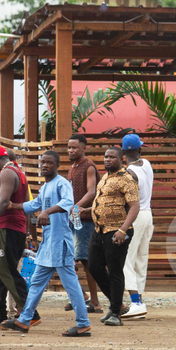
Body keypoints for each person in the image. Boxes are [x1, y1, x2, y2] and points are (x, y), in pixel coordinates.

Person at [2, 150, 91, 336]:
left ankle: (83, 324)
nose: (44, 166)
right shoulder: (45, 187)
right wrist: (12, 206)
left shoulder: (62, 184)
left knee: (71, 285)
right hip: (48, 245)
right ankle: (24, 321)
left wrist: (47, 212)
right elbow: (35, 205)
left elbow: (68, 202)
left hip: (61, 245)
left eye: (49, 163)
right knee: (36, 283)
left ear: (57, 166)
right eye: (42, 162)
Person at [0, 145, 37, 330]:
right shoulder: (17, 172)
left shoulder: (7, 173)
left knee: (5, 270)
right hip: (13, 227)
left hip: (8, 227)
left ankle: (30, 313)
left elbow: (3, 202)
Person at [85, 146, 140, 327]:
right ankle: (118, 304)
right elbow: (104, 203)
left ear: (121, 159)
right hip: (100, 230)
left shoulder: (127, 179)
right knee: (94, 266)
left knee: (115, 271)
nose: (108, 160)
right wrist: (87, 210)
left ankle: (115, 312)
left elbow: (134, 207)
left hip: (117, 231)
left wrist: (123, 230)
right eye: (106, 157)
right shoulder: (106, 177)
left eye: (112, 157)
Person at [67, 134, 102, 313]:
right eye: (69, 147)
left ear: (83, 148)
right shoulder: (73, 167)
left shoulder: (89, 166)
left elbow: (92, 192)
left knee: (86, 260)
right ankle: (81, 295)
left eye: (74, 147)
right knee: (67, 259)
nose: (71, 150)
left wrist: (76, 207)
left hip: (86, 220)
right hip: (73, 218)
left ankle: (95, 301)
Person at [121, 133, 154, 320]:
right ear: (139, 149)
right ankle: (139, 302)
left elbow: (128, 201)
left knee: (126, 259)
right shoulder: (147, 164)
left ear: (124, 151)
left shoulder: (128, 173)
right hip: (148, 214)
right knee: (141, 258)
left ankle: (136, 302)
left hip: (135, 215)